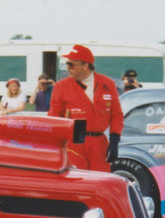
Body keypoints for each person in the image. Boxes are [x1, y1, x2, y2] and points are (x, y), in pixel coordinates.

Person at [47, 44, 123, 172]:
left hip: (99, 144)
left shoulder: (107, 84)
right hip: (74, 144)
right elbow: (54, 118)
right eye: (67, 63)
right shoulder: (61, 87)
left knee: (100, 183)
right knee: (77, 183)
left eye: (71, 64)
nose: (68, 68)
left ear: (85, 65)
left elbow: (117, 115)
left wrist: (114, 141)